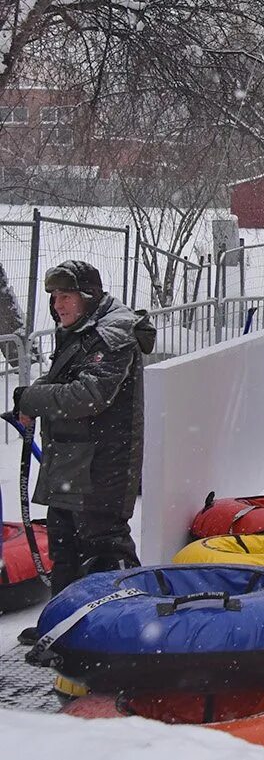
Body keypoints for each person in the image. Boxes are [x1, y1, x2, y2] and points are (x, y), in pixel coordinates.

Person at [11, 261, 155, 619]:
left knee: (104, 551)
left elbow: (88, 395)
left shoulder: (113, 334)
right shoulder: (82, 329)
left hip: (101, 469)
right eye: (55, 297)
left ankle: (122, 630)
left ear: (87, 297)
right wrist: (33, 395)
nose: (58, 305)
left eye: (66, 296)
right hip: (73, 466)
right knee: (65, 550)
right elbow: (64, 377)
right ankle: (64, 626)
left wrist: (31, 399)